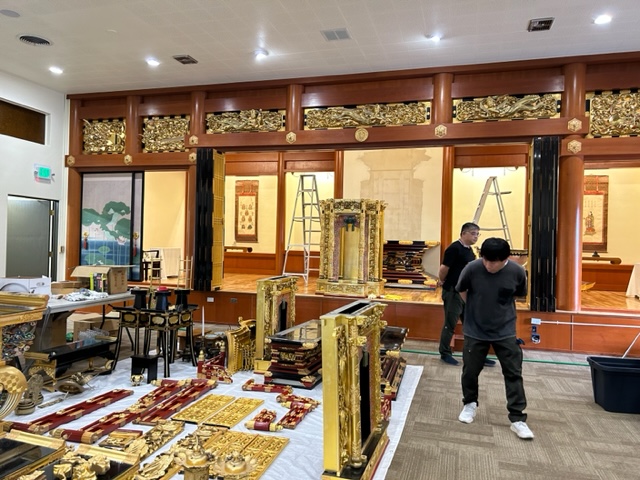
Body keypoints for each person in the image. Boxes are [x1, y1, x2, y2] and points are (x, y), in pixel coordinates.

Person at [455, 237, 533, 440]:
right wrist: (474, 311)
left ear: (506, 258)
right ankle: (469, 404)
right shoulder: (472, 268)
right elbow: (461, 291)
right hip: (475, 330)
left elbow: (517, 295)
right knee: (470, 371)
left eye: (494, 262)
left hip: (505, 330)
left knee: (513, 373)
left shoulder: (517, 272)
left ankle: (517, 419)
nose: (489, 265)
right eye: (486, 260)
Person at [437, 222, 495, 367]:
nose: (476, 237)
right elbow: (444, 268)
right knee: (450, 324)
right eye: (473, 233)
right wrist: (442, 280)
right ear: (464, 233)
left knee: (471, 325)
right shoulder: (454, 248)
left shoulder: (470, 251)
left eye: (477, 234)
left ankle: (476, 355)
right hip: (454, 292)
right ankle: (445, 353)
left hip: (467, 293)